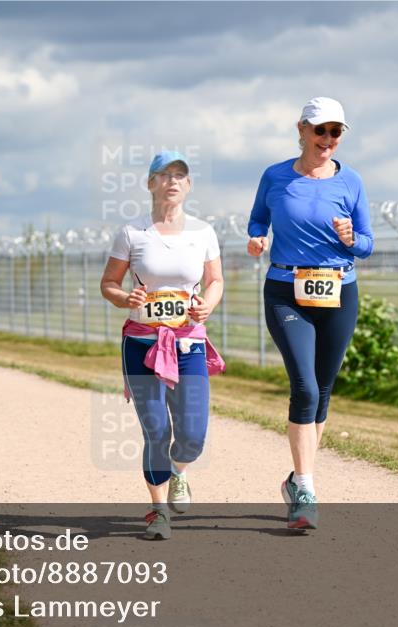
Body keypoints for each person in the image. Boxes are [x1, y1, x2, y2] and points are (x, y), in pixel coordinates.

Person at [247, 97, 374, 529]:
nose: (327, 139)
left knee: (322, 388)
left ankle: (297, 477)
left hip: (340, 290)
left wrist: (352, 237)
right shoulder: (276, 176)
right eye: (320, 130)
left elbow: (368, 243)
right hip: (287, 289)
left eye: (335, 132)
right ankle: (305, 487)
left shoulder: (351, 181)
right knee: (303, 385)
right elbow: (257, 221)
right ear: (301, 129)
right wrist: (257, 240)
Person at [100, 151, 225, 540]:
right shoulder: (132, 232)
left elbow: (215, 281)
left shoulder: (203, 232)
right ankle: (158, 510)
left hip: (187, 343)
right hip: (141, 343)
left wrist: (208, 302)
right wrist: (126, 299)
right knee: (156, 430)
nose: (172, 181)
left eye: (180, 175)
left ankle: (179, 473)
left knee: (192, 435)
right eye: (164, 175)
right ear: (150, 183)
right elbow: (108, 284)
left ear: (188, 186)